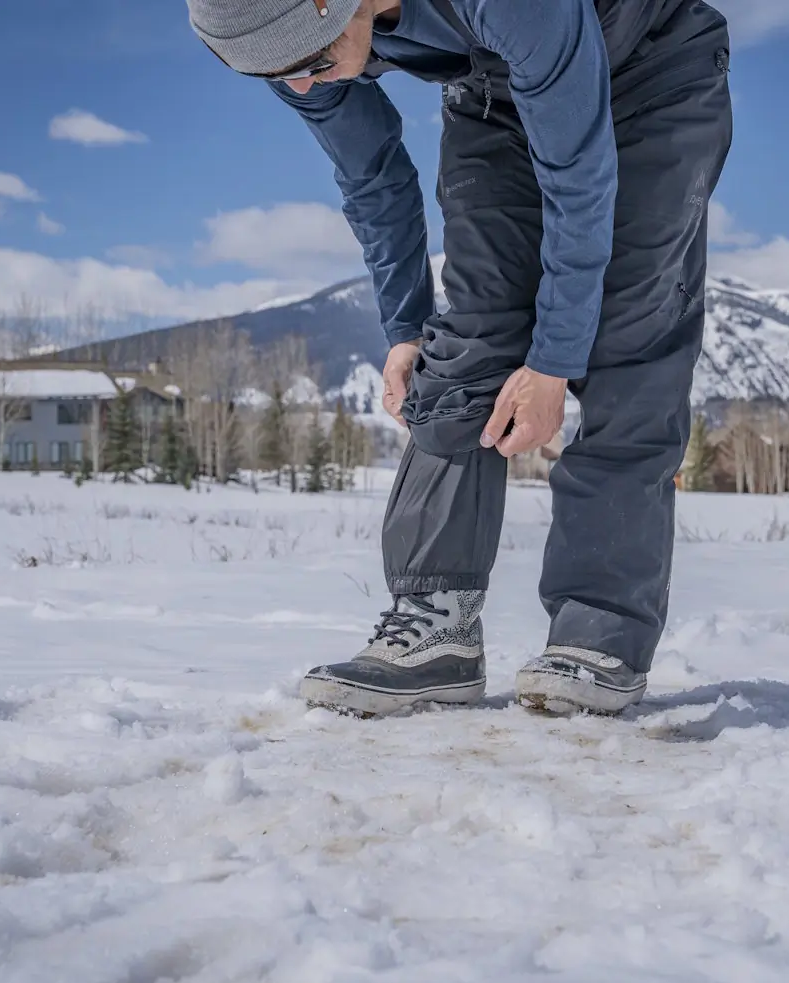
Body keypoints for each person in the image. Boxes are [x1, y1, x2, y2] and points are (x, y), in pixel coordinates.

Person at [187, 0, 732, 717]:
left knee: (631, 328)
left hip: (652, 73)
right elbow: (372, 177)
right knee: (467, 336)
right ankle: (435, 626)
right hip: (497, 88)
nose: (302, 88)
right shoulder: (280, 37)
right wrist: (407, 326)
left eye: (312, 61)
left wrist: (553, 361)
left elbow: (578, 175)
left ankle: (600, 631)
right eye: (271, 76)